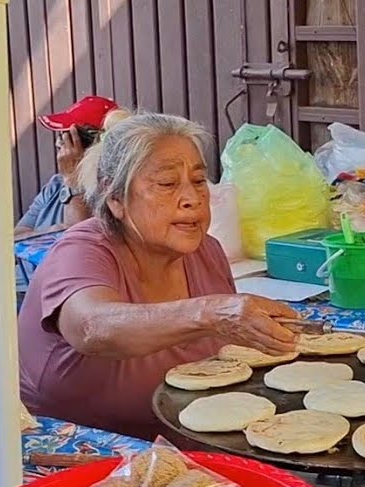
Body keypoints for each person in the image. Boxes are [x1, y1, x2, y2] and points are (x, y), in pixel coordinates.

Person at [17, 112, 299, 440]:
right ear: (116, 199)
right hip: (69, 449)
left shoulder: (206, 251)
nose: (192, 199)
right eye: (167, 184)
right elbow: (92, 329)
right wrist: (212, 313)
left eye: (198, 181)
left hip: (182, 439)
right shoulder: (83, 249)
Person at [0, 96, 124, 286]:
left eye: (64, 137)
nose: (58, 144)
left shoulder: (111, 192)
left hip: (51, 291)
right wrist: (51, 231)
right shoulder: (55, 185)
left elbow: (79, 246)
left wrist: (74, 181)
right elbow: (13, 238)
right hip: (13, 286)